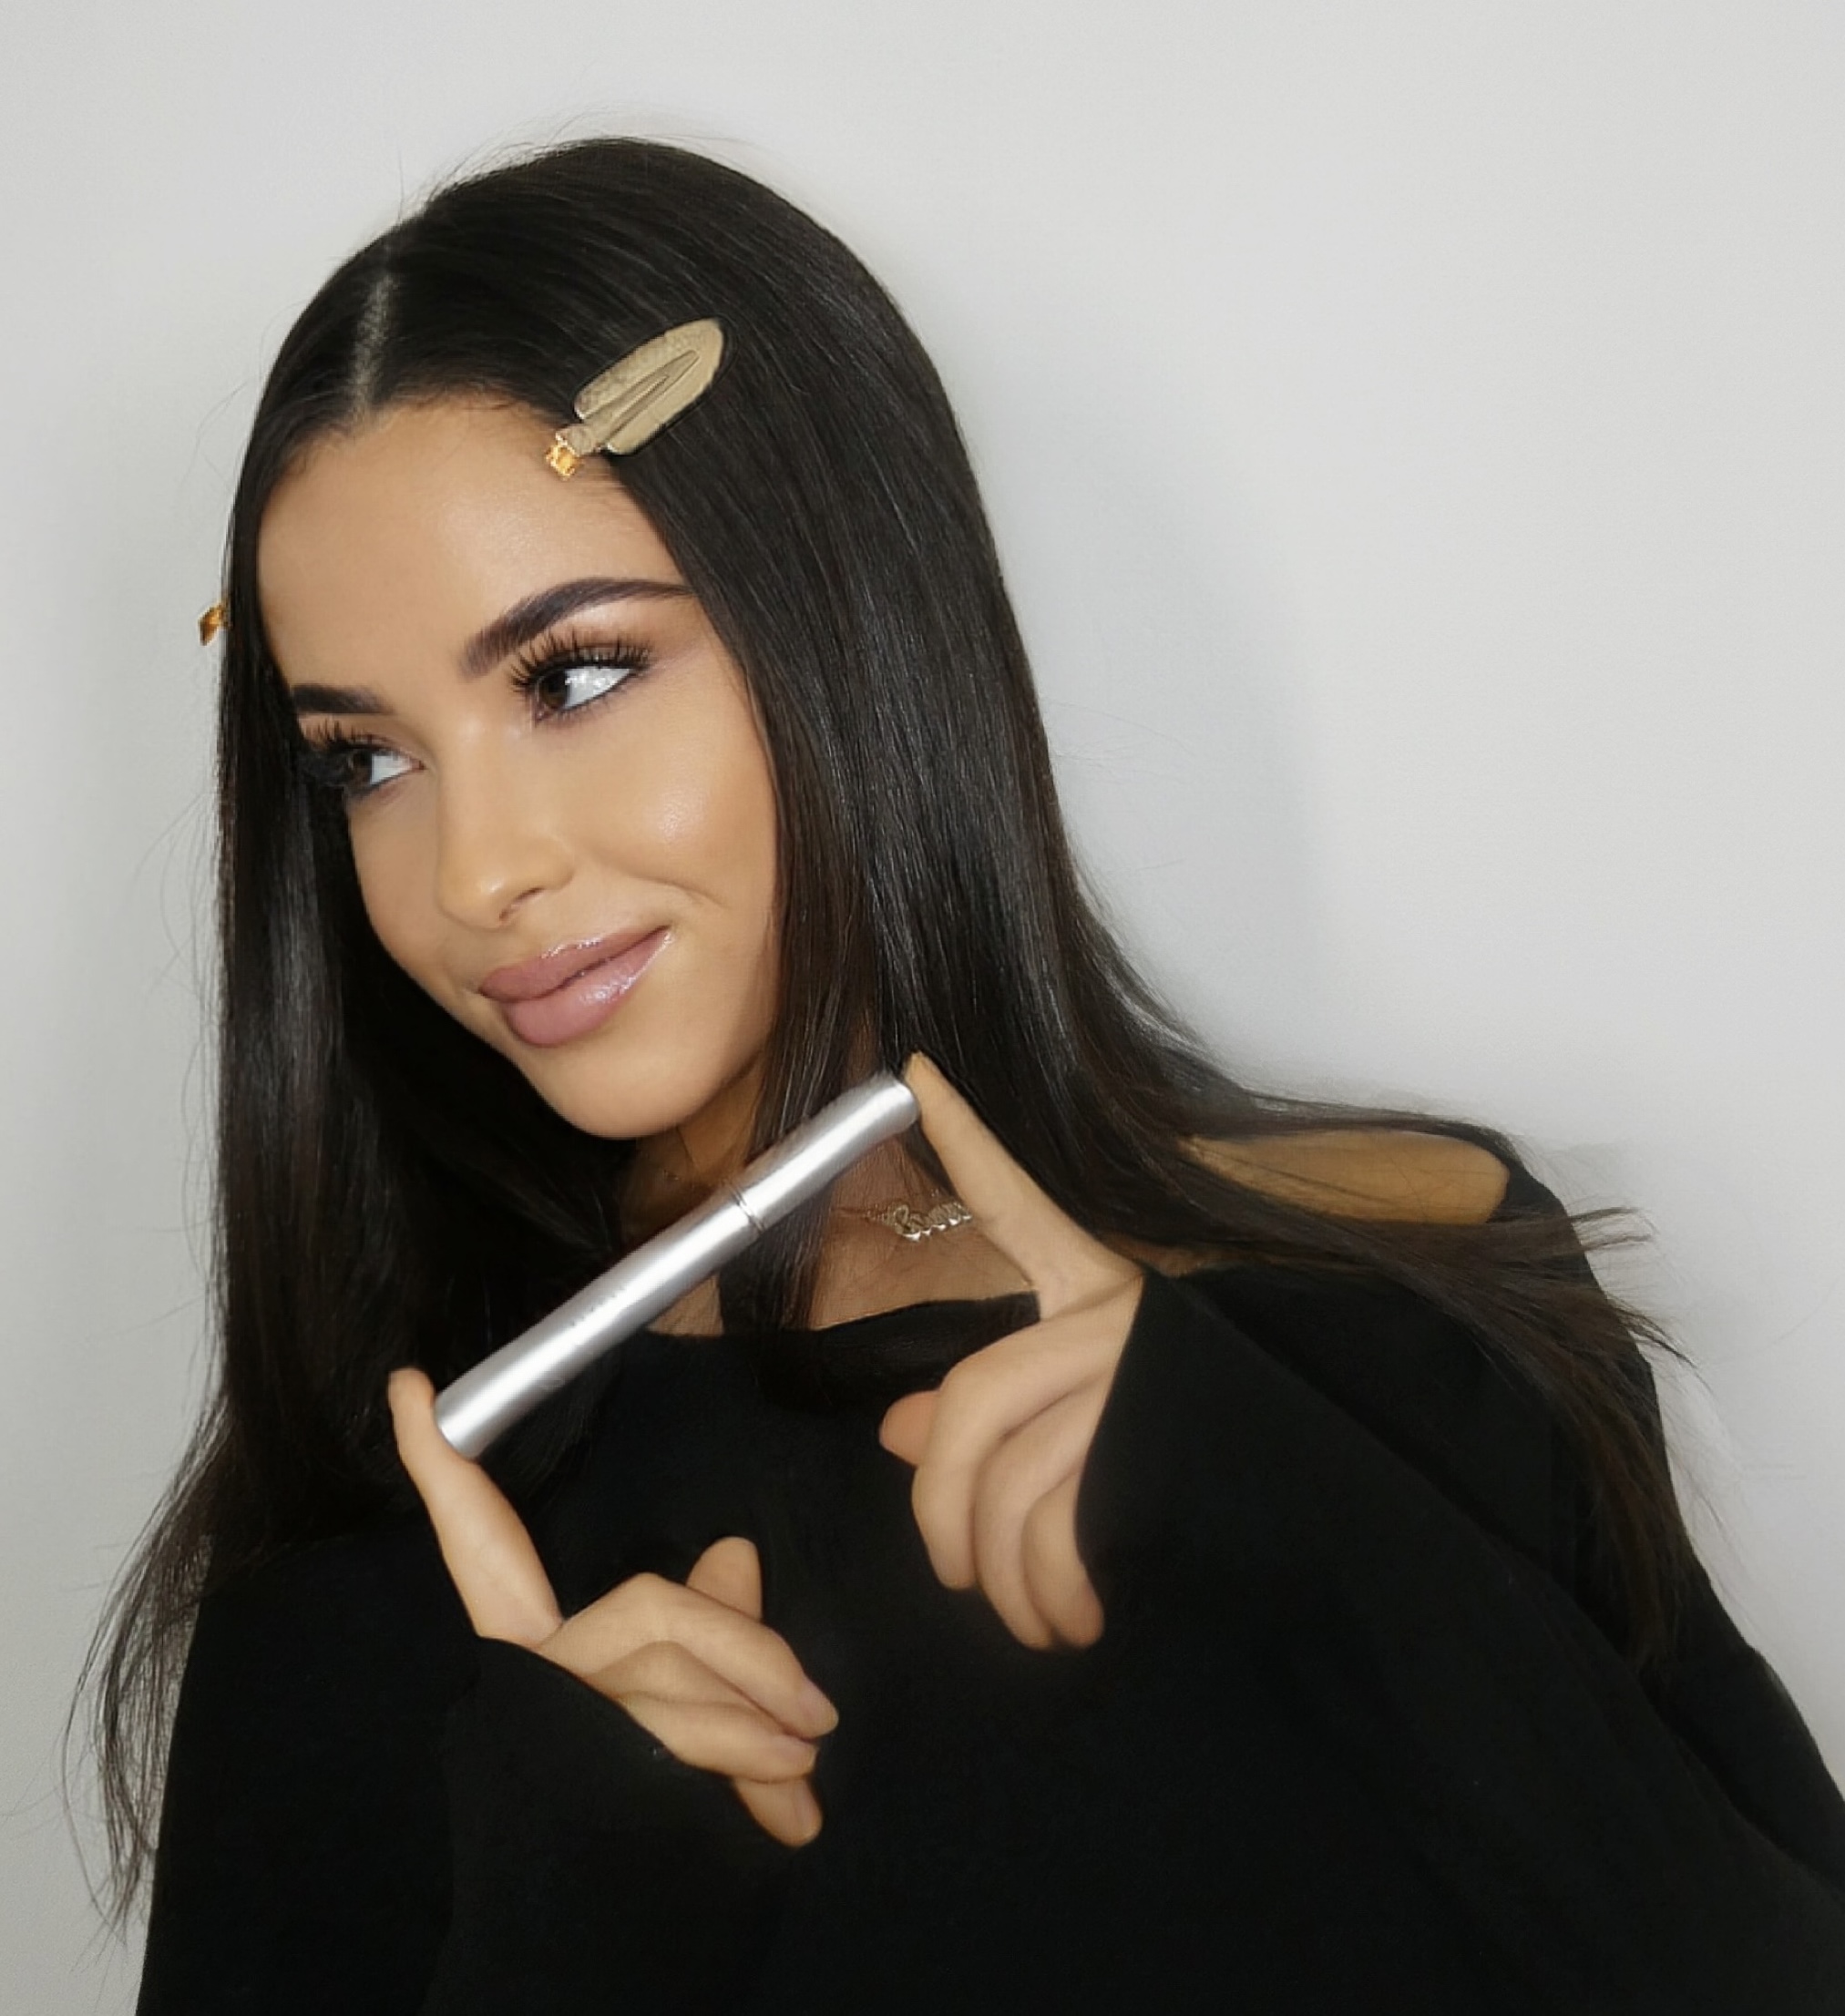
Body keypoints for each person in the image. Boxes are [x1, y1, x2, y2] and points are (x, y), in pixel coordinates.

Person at [89, 137, 1845, 2012]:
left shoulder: (1396, 1288)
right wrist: (565, 1917)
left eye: (573, 675)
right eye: (363, 761)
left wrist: (1332, 1541)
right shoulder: (392, 1539)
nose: (475, 874)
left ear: (851, 617)